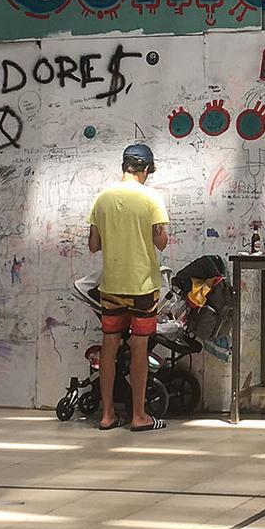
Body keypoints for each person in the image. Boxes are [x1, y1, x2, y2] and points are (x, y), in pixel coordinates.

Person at [86, 143, 169, 431]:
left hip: (111, 285)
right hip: (143, 285)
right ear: (146, 169)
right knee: (139, 348)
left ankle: (107, 415)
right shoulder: (151, 198)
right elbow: (161, 242)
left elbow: (93, 245)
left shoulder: (102, 199)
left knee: (109, 344)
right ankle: (139, 415)